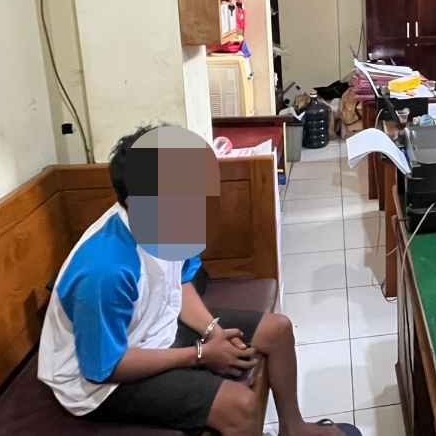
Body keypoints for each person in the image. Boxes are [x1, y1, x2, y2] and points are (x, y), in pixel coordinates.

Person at [38, 125, 359, 436]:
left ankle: (294, 428)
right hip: (100, 384)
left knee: (278, 331)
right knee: (241, 407)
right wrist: (202, 354)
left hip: (155, 329)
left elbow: (179, 284)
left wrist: (214, 333)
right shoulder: (106, 268)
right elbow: (102, 368)